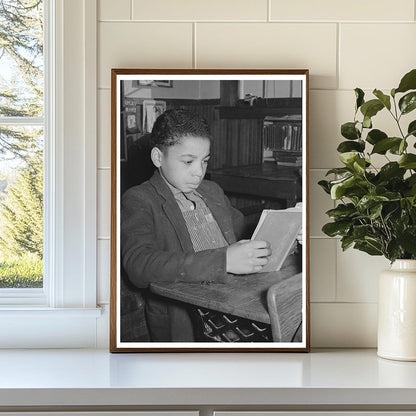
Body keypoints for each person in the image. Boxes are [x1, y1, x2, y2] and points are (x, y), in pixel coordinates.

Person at [121, 109, 271, 342]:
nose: (199, 172)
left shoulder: (211, 191)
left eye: (205, 161)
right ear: (158, 158)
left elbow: (243, 232)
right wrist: (224, 261)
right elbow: (138, 265)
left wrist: (280, 233)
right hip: (194, 321)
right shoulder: (139, 199)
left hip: (237, 302)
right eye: (188, 161)